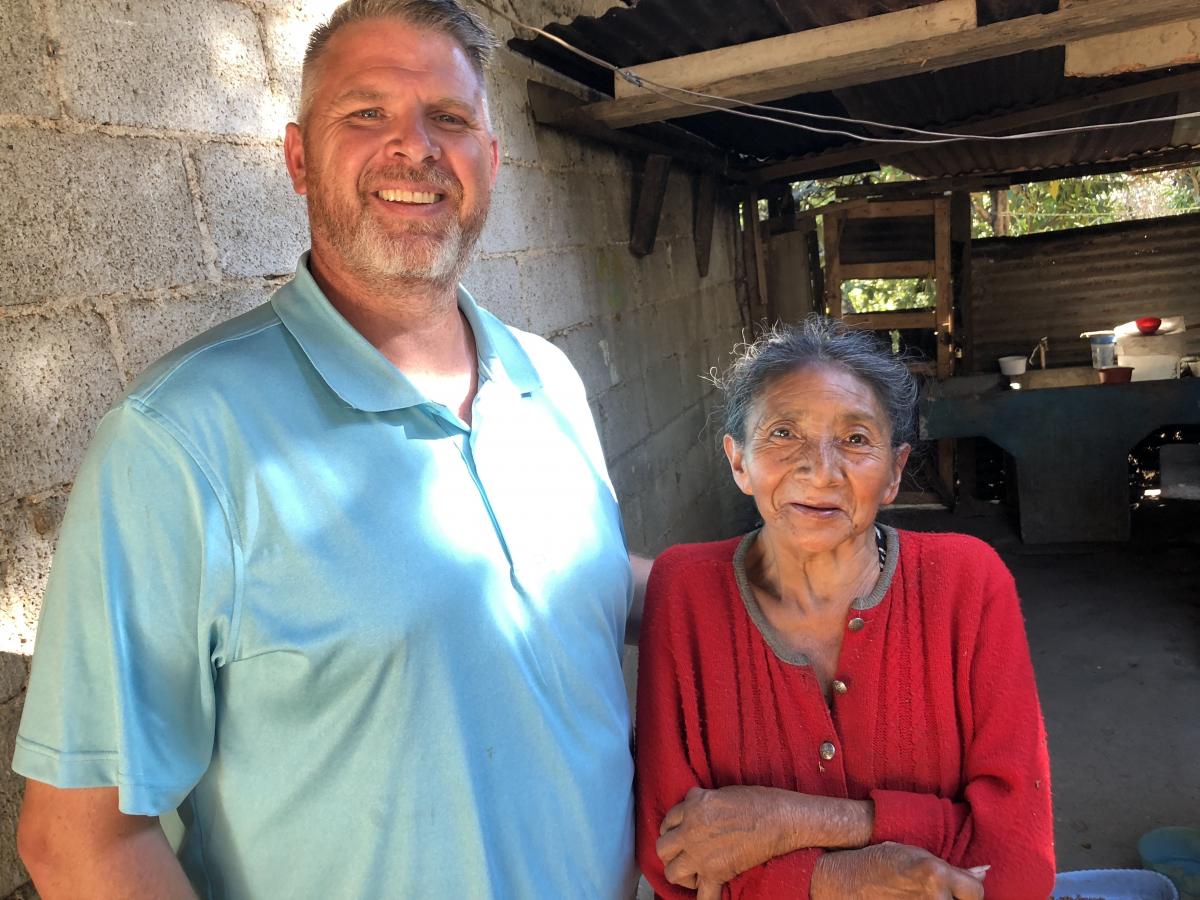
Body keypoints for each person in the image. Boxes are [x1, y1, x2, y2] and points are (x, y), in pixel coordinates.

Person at [14, 2, 647, 897]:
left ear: (490, 163)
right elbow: (79, 841)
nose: (415, 147)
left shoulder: (547, 377)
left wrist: (782, 569)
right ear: (298, 160)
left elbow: (587, 584)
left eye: (451, 119)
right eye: (366, 114)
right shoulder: (180, 441)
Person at [635, 318, 1055, 899]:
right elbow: (675, 861)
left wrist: (790, 822)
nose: (821, 470)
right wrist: (843, 876)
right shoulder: (685, 590)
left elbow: (1015, 861)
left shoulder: (966, 581)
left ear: (895, 472)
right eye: (784, 433)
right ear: (738, 463)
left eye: (856, 439)